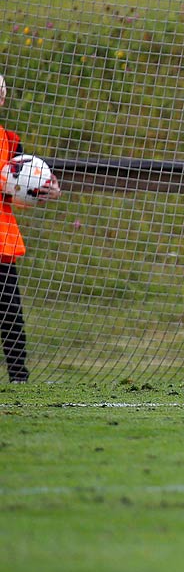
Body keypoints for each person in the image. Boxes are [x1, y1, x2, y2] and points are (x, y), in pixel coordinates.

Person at [1, 72, 60, 382]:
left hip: (1, 241)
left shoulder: (10, 142)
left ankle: (19, 376)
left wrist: (47, 189)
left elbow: (30, 179)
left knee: (10, 311)